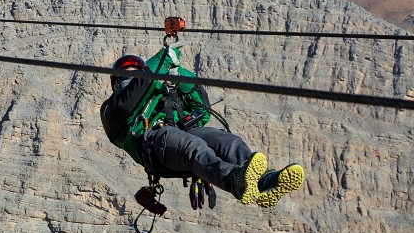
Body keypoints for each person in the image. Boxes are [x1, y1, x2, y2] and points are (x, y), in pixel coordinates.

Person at [100, 41, 303, 209]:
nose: (135, 78)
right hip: (154, 145)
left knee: (228, 142)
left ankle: (264, 183)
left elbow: (202, 110)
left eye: (138, 73)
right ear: (117, 83)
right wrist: (161, 61)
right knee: (192, 146)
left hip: (181, 135)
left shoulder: (159, 92)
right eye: (128, 76)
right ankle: (234, 180)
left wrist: (179, 76)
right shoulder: (111, 110)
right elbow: (129, 100)